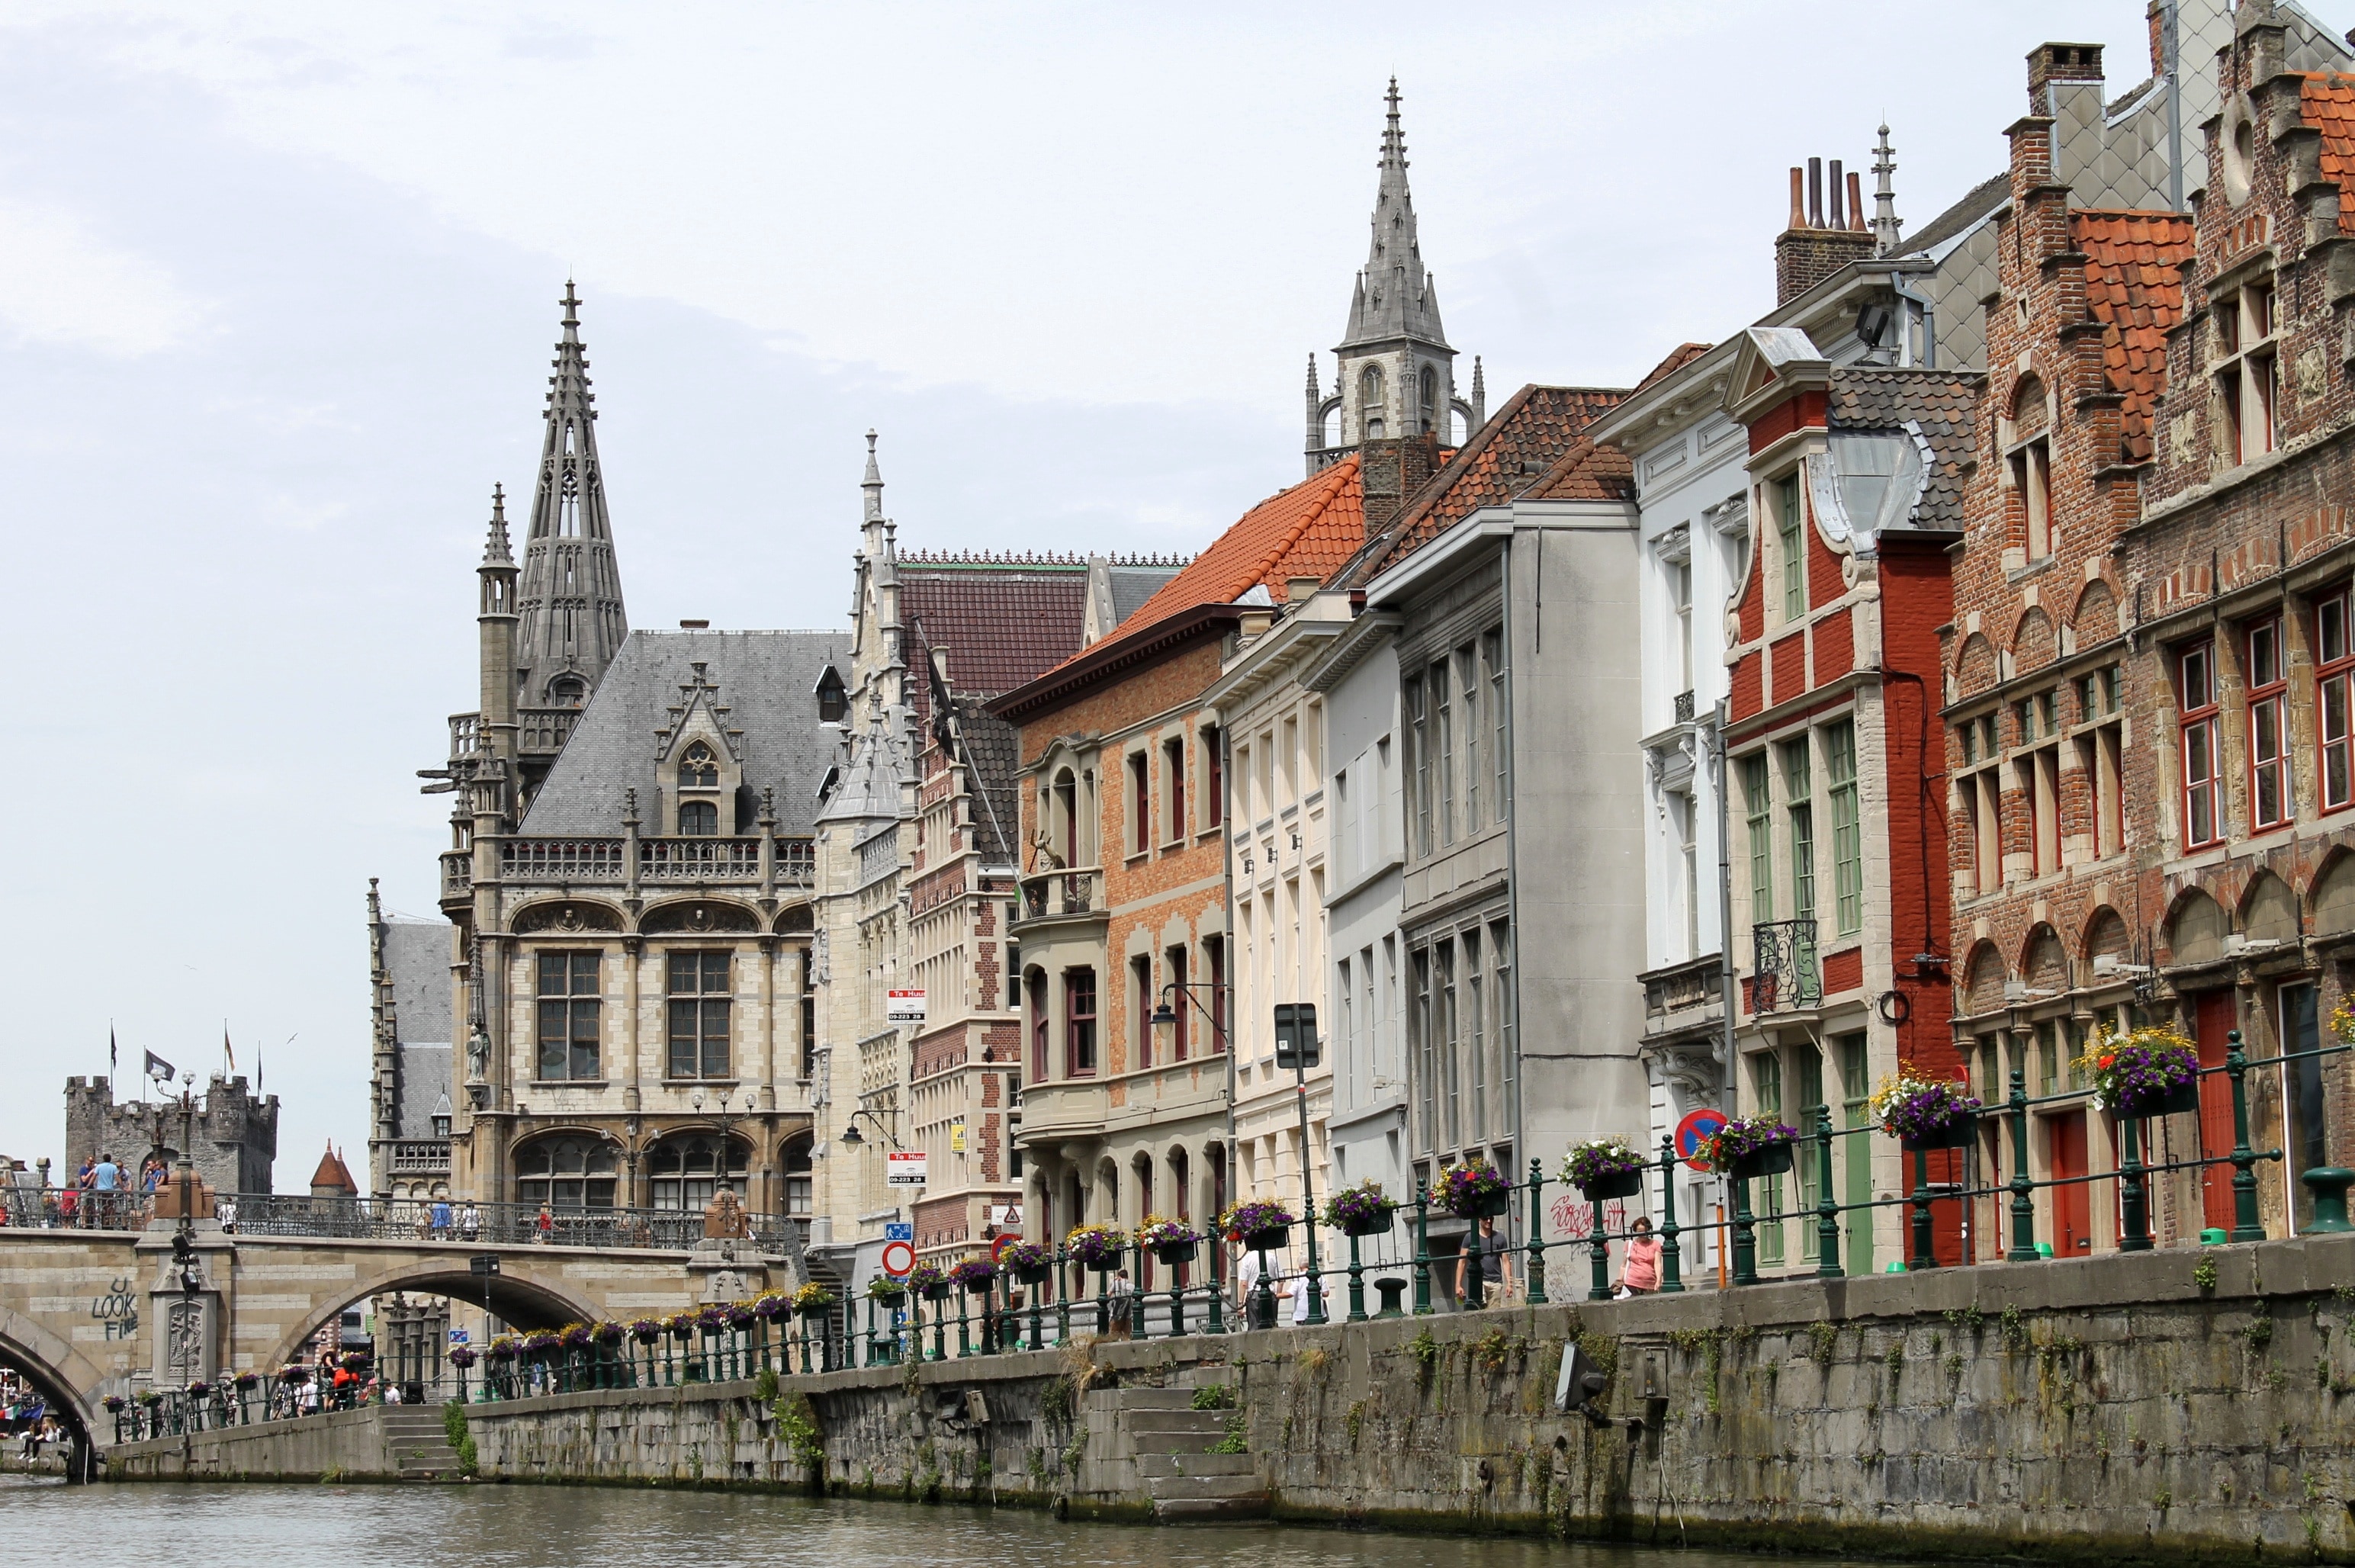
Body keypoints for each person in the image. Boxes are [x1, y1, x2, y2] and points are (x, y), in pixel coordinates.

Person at [1454, 1214, 1514, 1309]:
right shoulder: (1470, 1237)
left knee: (1494, 1313)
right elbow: (1462, 1262)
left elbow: (1506, 1262)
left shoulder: (1500, 1238)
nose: (1489, 1221)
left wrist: (1509, 1284)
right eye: (1485, 1218)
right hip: (1480, 1281)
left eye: (1491, 1218)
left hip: (1496, 1282)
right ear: (1479, 1219)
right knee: (1480, 1306)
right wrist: (1458, 1285)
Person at [1620, 1215, 1663, 1296]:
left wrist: (1659, 1280)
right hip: (1632, 1283)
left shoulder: (1656, 1244)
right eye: (1639, 1232)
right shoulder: (1630, 1244)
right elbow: (1624, 1265)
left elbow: (1657, 1263)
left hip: (1649, 1285)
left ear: (1649, 1230)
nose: (1642, 1234)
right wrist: (1620, 1280)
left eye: (1644, 1231)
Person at [1106, 1268, 1134, 1339]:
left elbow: (1108, 1294)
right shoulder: (1132, 1286)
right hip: (1128, 1314)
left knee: (1113, 1334)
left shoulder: (1116, 1284)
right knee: (1127, 1336)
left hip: (1117, 1315)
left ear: (1119, 1276)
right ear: (1127, 1277)